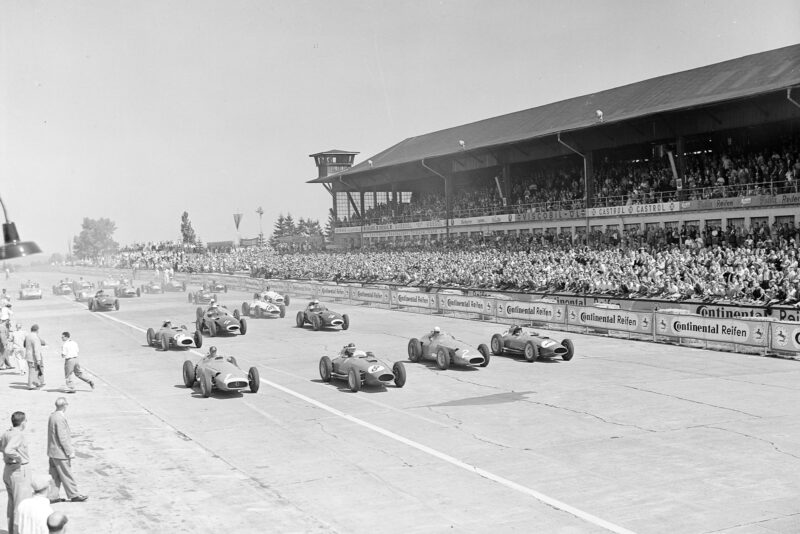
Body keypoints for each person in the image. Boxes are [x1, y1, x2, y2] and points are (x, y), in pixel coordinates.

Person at [47, 398, 87, 504]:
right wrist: (69, 451)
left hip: (52, 452)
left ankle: (52, 496)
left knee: (54, 476)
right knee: (66, 474)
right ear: (64, 405)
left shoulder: (52, 415)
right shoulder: (59, 418)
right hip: (60, 453)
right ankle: (74, 495)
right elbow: (62, 437)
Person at [1, 411, 31, 534]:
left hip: (8, 470)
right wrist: (18, 458)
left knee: (12, 504)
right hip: (18, 470)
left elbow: (2, 447)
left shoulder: (7, 433)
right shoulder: (18, 435)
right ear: (23, 422)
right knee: (21, 505)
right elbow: (8, 450)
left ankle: (12, 531)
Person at [24, 325, 46, 390]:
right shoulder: (35, 337)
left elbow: (24, 345)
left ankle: (36, 383)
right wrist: (38, 359)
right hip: (33, 357)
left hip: (28, 355)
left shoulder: (28, 336)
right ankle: (31, 384)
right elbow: (36, 350)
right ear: (37, 330)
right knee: (34, 370)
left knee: (32, 370)